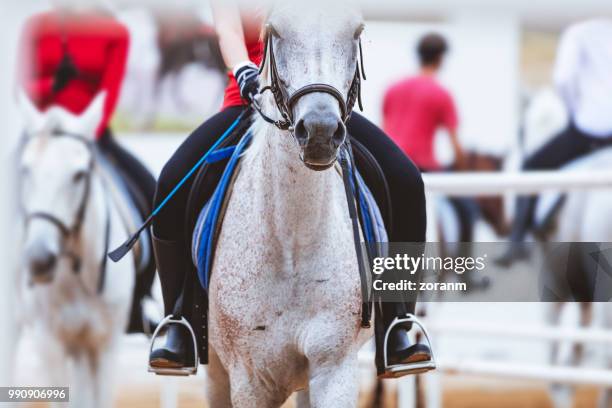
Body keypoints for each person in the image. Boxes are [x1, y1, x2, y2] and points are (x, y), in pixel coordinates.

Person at [149, 1, 432, 378]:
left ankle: (397, 322)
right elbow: (229, 31)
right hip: (247, 99)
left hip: (316, 102)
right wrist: (245, 70)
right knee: (172, 180)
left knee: (406, 181)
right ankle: (179, 320)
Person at [17, 1, 157, 333]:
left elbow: (109, 91)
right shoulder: (36, 25)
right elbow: (20, 86)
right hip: (40, 132)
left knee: (150, 192)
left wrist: (82, 133)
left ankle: (141, 301)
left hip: (90, 136)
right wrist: (51, 89)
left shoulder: (115, 31)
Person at [498, 18, 612, 265]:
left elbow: (563, 79)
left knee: (531, 166)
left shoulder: (578, 31)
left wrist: (574, 109)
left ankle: (518, 238)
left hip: (590, 129)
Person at [383, 33, 475, 243]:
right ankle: (468, 272)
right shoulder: (441, 93)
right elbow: (456, 146)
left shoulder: (393, 88)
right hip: (423, 168)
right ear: (441, 58)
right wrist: (462, 167)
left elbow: (385, 131)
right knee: (468, 210)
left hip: (391, 166)